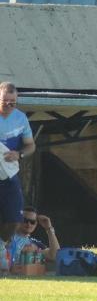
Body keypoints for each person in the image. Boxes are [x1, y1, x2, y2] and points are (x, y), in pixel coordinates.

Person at [0, 82, 36, 245]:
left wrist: (19, 154)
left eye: (12, 102)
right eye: (5, 101)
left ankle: (1, 247)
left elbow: (31, 145)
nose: (8, 105)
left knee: (15, 219)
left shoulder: (20, 118)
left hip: (9, 175)